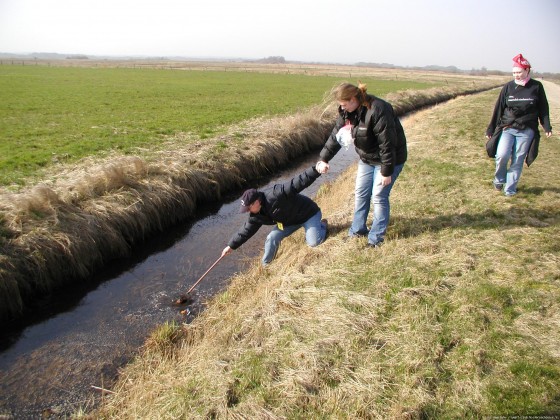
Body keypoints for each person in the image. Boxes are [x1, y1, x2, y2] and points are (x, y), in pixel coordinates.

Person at [315, 82, 407, 248]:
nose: (342, 108)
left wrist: (387, 171)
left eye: (343, 104)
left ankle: (375, 239)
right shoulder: (347, 112)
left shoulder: (378, 109)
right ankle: (358, 230)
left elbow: (388, 143)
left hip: (388, 160)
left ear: (352, 99)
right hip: (367, 159)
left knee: (379, 196)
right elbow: (336, 135)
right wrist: (324, 158)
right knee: (361, 193)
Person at [222, 166, 328, 265]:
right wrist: (231, 246)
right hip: (289, 222)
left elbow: (297, 182)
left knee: (314, 243)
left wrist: (316, 169)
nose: (247, 211)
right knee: (271, 237)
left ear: (257, 202)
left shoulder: (276, 194)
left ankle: (322, 225)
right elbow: (246, 230)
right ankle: (266, 265)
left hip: (308, 214)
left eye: (248, 208)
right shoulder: (255, 215)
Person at [485, 53, 552, 197]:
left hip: (527, 130)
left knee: (517, 159)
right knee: (502, 155)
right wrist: (491, 127)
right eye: (514, 72)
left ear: (527, 70)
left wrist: (547, 126)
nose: (516, 75)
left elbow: (543, 108)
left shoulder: (537, 87)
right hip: (508, 127)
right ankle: (499, 180)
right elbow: (499, 108)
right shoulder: (508, 87)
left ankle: (510, 190)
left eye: (519, 72)